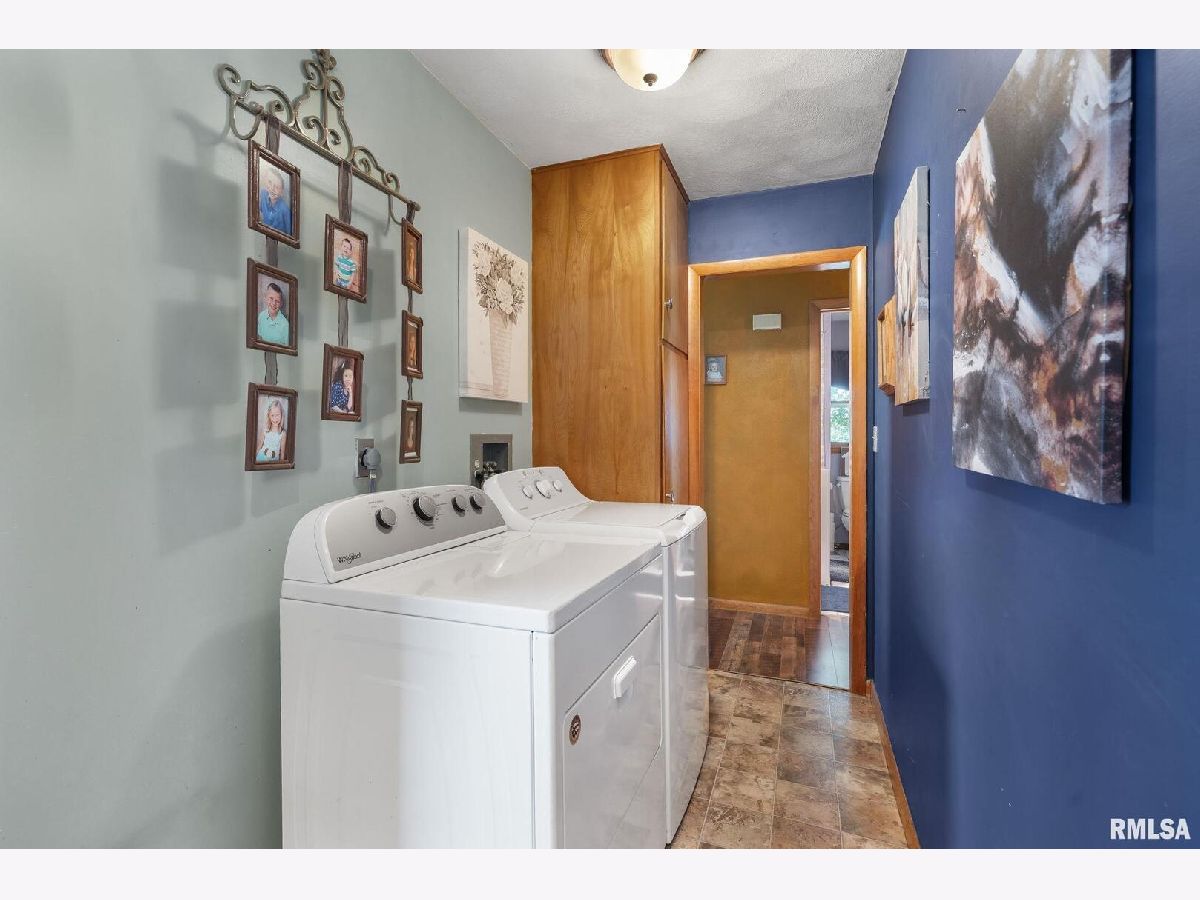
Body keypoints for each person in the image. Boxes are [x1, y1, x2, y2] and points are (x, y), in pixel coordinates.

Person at [258, 165, 291, 236]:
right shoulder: (263, 194)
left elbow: (290, 234)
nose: (272, 189)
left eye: (277, 187)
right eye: (270, 183)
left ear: (282, 192)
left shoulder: (285, 210)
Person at [256, 281, 289, 346]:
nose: (274, 303)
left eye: (277, 301)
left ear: (281, 304)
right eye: (271, 298)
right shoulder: (261, 316)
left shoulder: (285, 325)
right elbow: (260, 338)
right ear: (265, 298)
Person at [256, 398, 288, 463]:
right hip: (261, 458)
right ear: (269, 416)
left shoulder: (282, 433)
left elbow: (282, 454)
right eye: (272, 415)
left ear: (281, 415)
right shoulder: (265, 430)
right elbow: (258, 447)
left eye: (277, 415)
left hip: (273, 462)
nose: (275, 418)